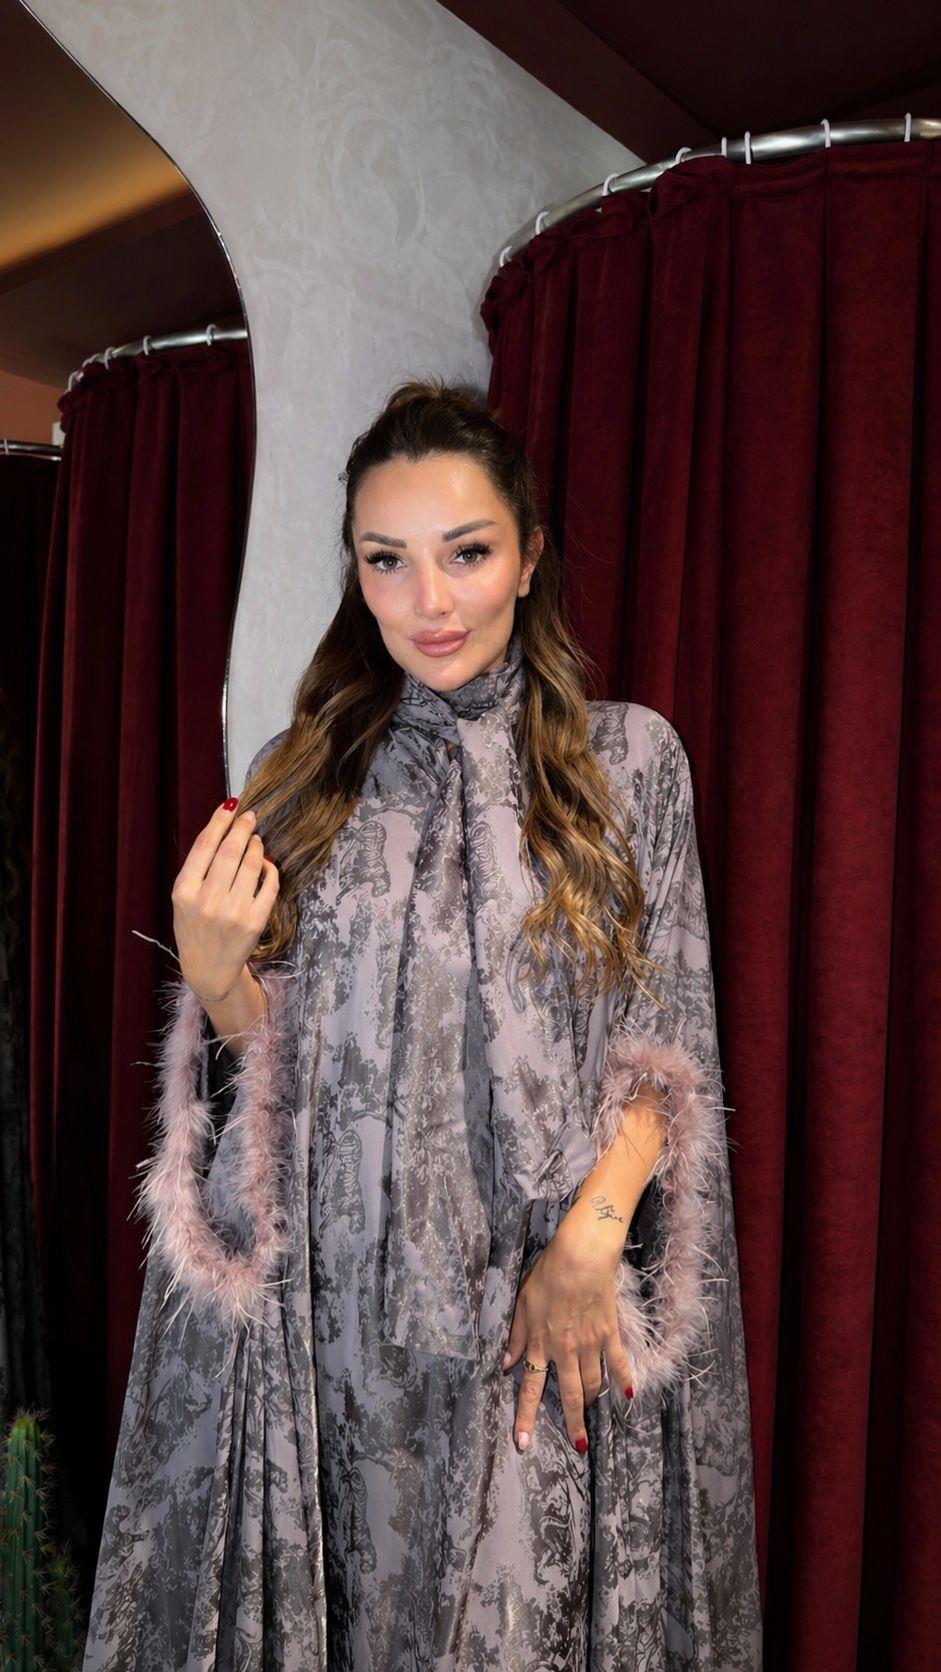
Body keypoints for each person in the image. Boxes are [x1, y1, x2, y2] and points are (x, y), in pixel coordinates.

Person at [81, 378, 763, 1670]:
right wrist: (216, 979)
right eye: (386, 560)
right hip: (334, 1325)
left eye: (466, 553)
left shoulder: (629, 765)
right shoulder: (300, 779)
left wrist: (588, 1245)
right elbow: (275, 1092)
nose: (428, 601)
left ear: (529, 557)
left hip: (536, 1305)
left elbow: (663, 1042)